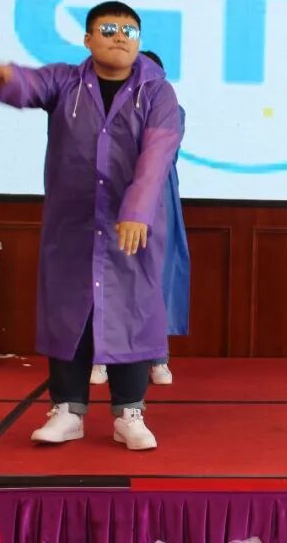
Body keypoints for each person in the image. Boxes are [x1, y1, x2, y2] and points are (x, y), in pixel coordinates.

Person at [0, 1, 182, 450]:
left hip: (132, 227)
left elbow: (158, 155)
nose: (119, 36)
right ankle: (67, 410)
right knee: (68, 312)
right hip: (74, 223)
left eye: (129, 30)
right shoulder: (65, 81)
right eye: (108, 29)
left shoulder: (158, 93)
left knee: (131, 311)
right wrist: (4, 80)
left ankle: (129, 413)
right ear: (88, 39)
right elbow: (28, 85)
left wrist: (136, 209)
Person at [90, 50, 189, 387]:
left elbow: (158, 156)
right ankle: (101, 358)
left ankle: (157, 357)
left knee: (154, 278)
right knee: (108, 278)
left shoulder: (171, 110)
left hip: (155, 201)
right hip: (109, 199)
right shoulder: (100, 108)